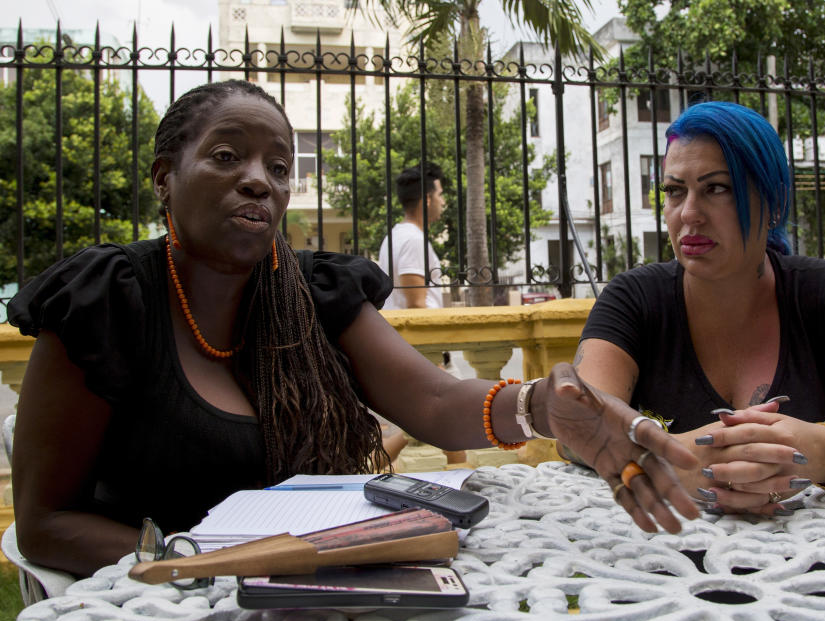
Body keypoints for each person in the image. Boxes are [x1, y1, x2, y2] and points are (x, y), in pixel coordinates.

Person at [8, 79, 699, 578]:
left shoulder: (311, 291)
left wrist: (541, 405)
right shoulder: (107, 302)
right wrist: (206, 563)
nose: (259, 182)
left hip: (303, 591)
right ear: (165, 177)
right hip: (162, 601)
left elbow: (433, 401)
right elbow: (46, 523)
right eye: (226, 157)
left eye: (278, 168)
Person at [574, 101, 825, 515]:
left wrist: (818, 448)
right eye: (675, 191)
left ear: (774, 203)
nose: (689, 214)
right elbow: (576, 422)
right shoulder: (634, 299)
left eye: (717, 188)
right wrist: (670, 459)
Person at [378, 162, 445, 310]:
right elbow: (416, 304)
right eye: (439, 195)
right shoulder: (414, 240)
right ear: (427, 199)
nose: (443, 202)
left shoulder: (394, 236)